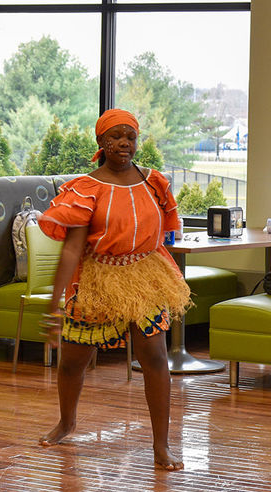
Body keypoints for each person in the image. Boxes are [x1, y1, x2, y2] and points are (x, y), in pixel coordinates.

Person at [38, 108, 191, 471]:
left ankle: (161, 445)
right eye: (116, 136)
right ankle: (67, 421)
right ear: (101, 142)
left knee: (154, 357)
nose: (124, 143)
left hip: (146, 277)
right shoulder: (86, 188)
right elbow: (73, 248)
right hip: (99, 278)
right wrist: (55, 302)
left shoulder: (154, 182)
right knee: (74, 360)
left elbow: (163, 232)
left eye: (131, 136)